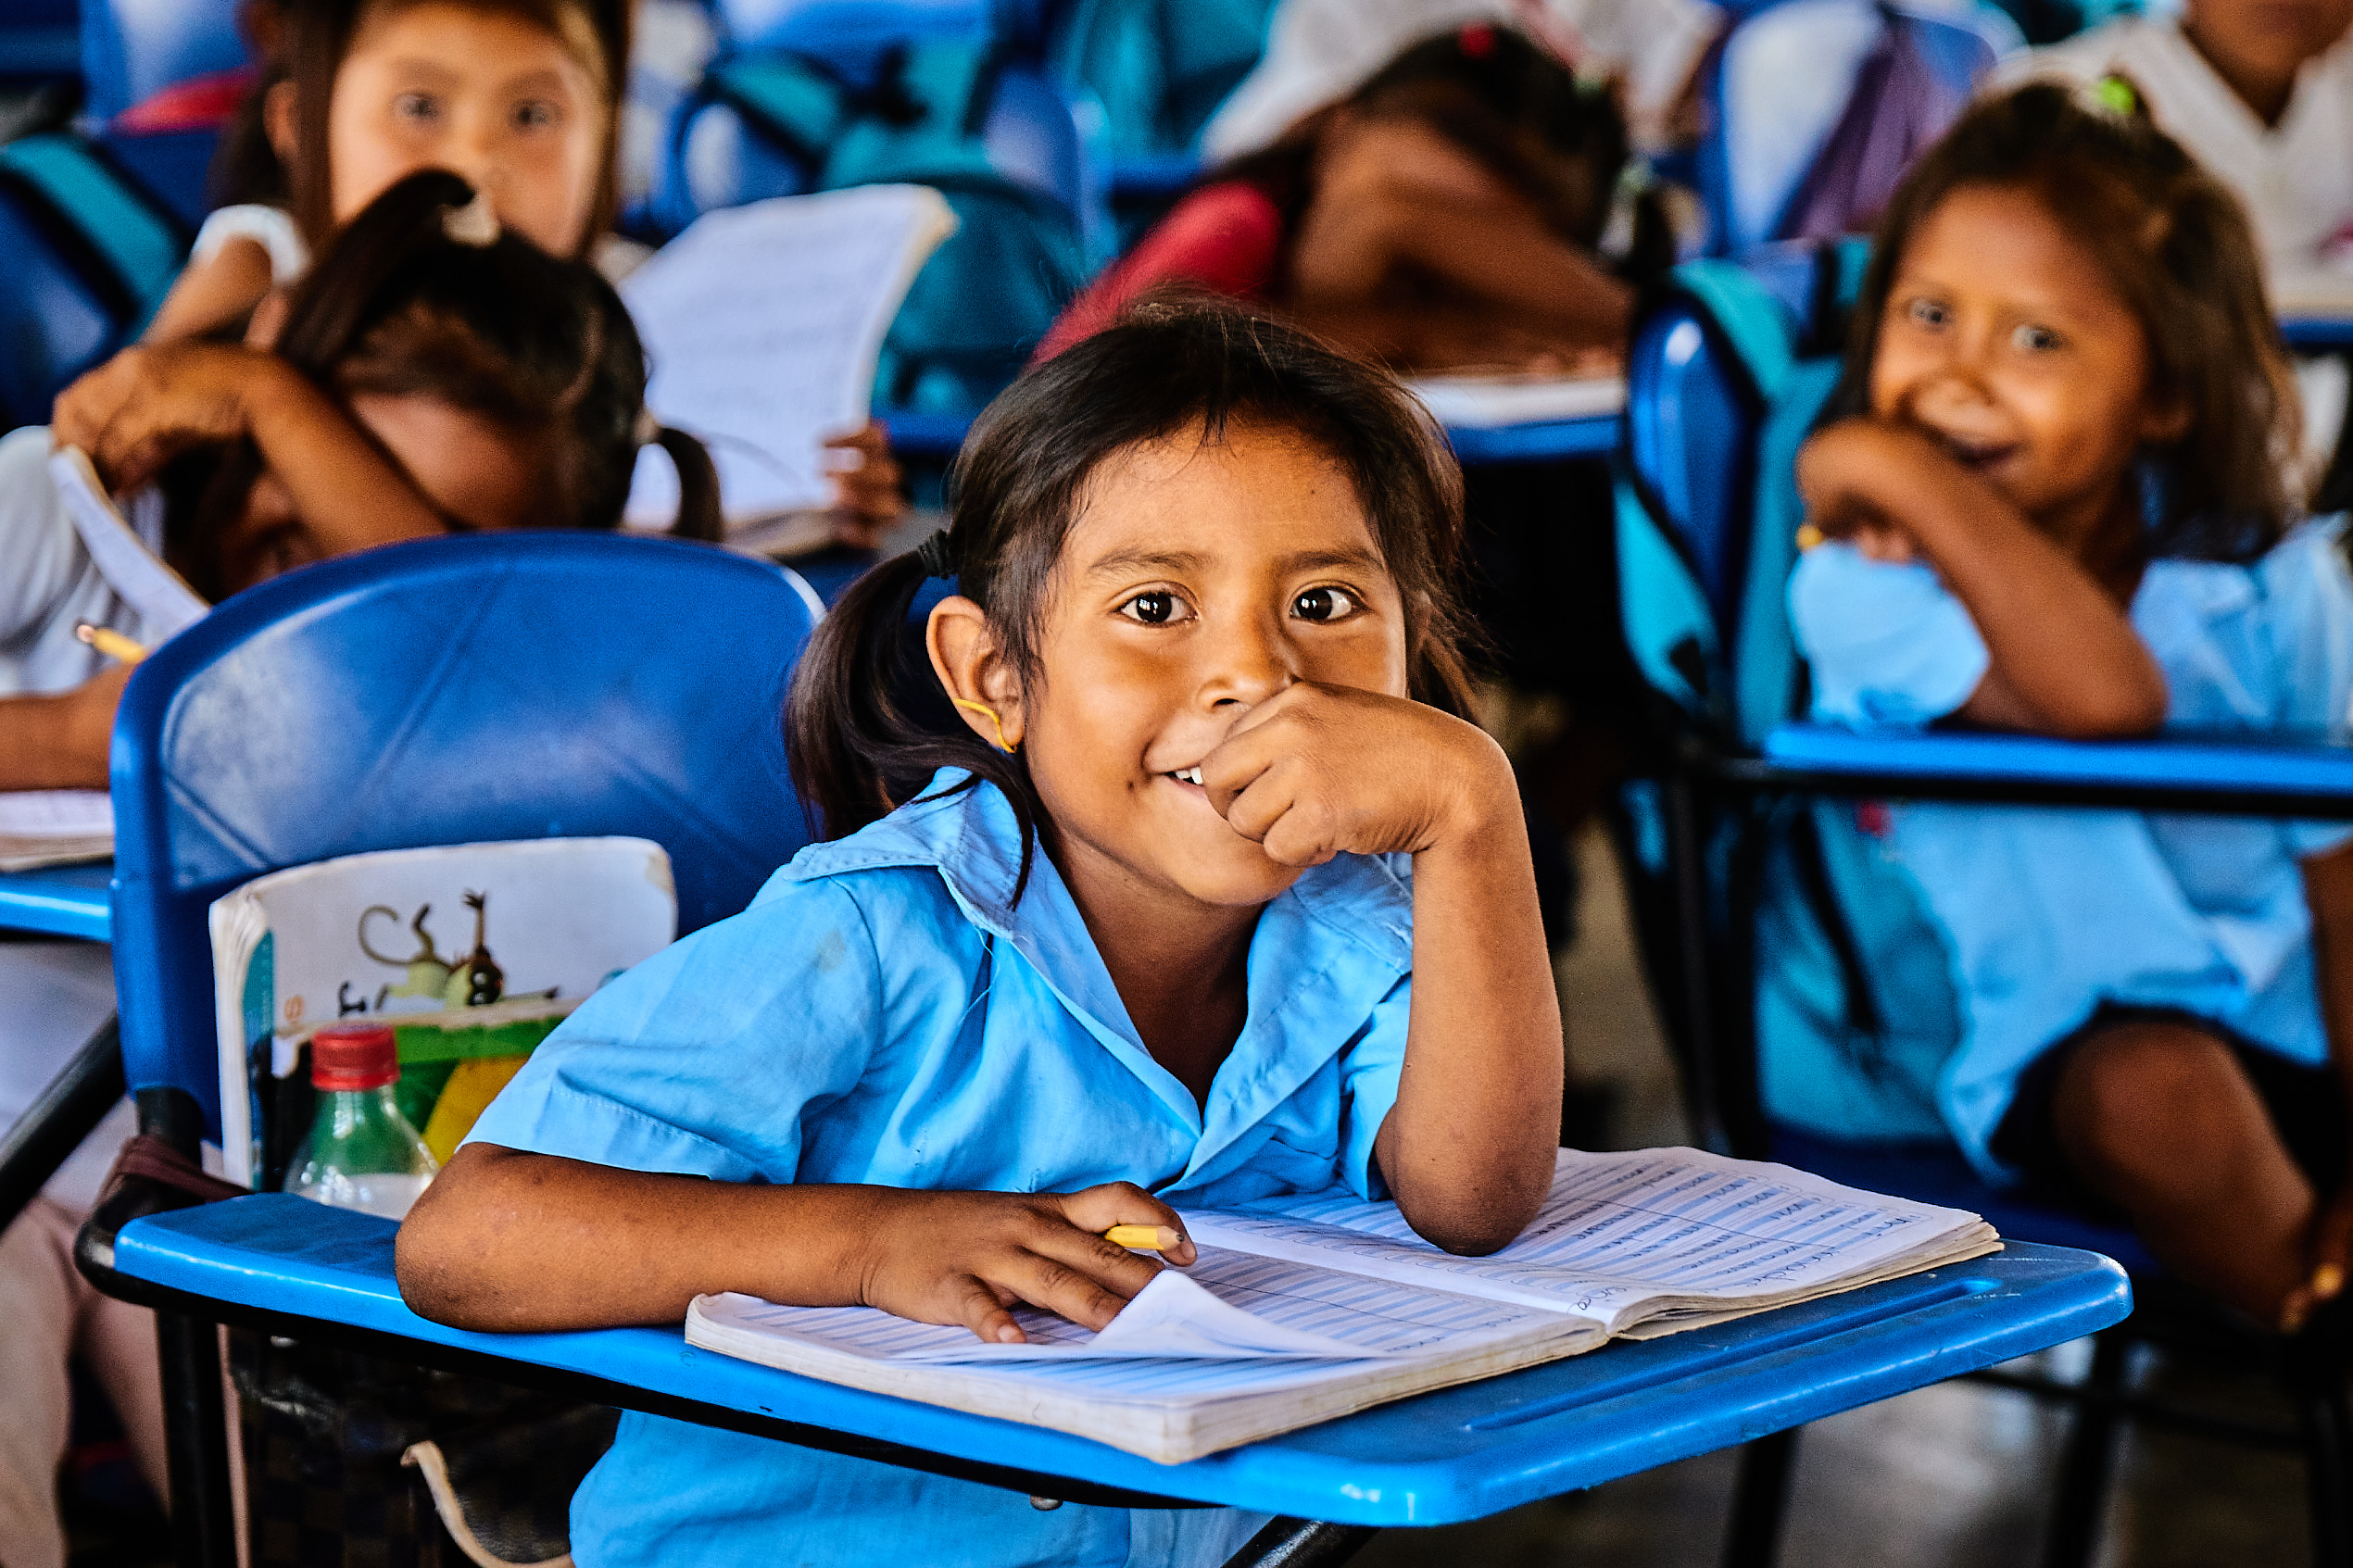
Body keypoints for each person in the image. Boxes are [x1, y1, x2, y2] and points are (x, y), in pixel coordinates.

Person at [393, 294, 1567, 1566]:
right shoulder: (880, 934)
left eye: (1328, 603)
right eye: (1157, 608)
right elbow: (469, 1236)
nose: (1256, 675)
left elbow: (1473, 1199)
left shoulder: (1359, 919)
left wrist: (1474, 812)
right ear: (996, 678)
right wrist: (875, 1240)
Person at [0, 169, 720, 1568]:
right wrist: (60, 740)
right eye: (314, 489)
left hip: (231, 1179)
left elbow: (455, 652)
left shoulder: (485, 685)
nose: (318, 583)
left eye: (392, 537)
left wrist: (277, 405)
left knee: (353, 1526)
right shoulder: (57, 508)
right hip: (8, 1128)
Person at [1776, 82, 2353, 1335]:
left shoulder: (2269, 579)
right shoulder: (1859, 590)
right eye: (1929, 315)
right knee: (2160, 1087)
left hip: (2296, 1021)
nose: (1964, 376)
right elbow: (2105, 698)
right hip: (2066, 1055)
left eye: (2039, 341)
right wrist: (1883, 468)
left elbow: (2340, 879)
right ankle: (2319, 1344)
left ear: (2163, 394)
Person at [135, 0, 904, 545]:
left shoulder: (639, 297)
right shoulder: (265, 261)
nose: (474, 164)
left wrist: (812, 496)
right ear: (298, 128)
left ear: (605, 141)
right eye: (419, 107)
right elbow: (131, 429)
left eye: (533, 116)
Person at [1037, 24, 1666, 372]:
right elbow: (1130, 354)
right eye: (1418, 209)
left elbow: (1628, 326)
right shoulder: (1240, 214)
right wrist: (1416, 320)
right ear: (1341, 126)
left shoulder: (1344, 301)